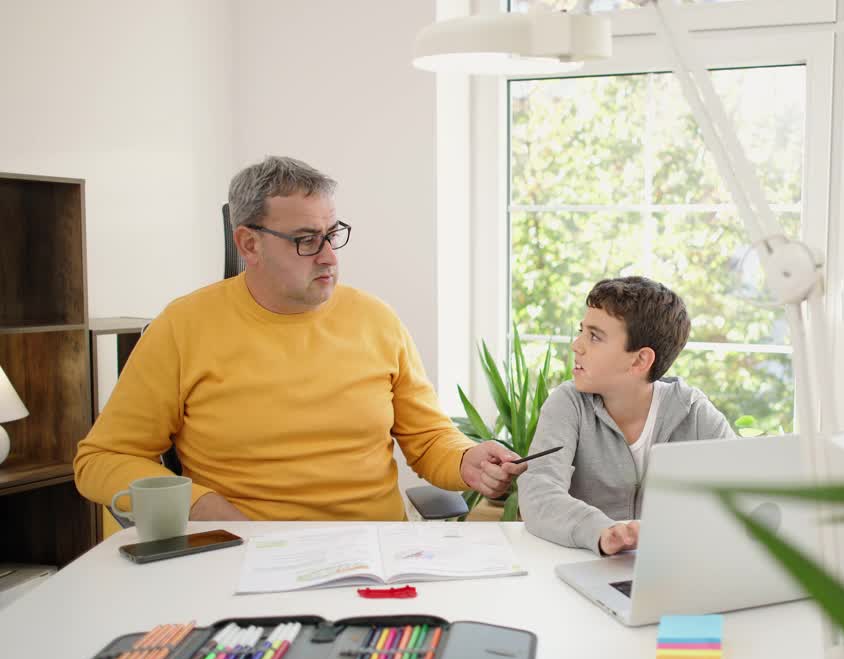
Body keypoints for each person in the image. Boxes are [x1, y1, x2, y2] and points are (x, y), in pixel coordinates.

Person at [74, 156, 524, 521]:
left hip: (373, 557)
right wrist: (201, 506)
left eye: (332, 235)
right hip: (243, 555)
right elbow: (102, 459)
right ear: (249, 245)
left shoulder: (376, 320)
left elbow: (428, 440)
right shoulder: (183, 326)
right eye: (307, 240)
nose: (329, 257)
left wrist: (468, 461)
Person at [519, 276, 736, 555]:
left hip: (667, 569)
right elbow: (538, 493)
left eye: (594, 336)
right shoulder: (568, 404)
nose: (577, 345)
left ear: (639, 360)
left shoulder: (693, 412)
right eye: (581, 331)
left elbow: (742, 492)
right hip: (581, 562)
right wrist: (601, 531)